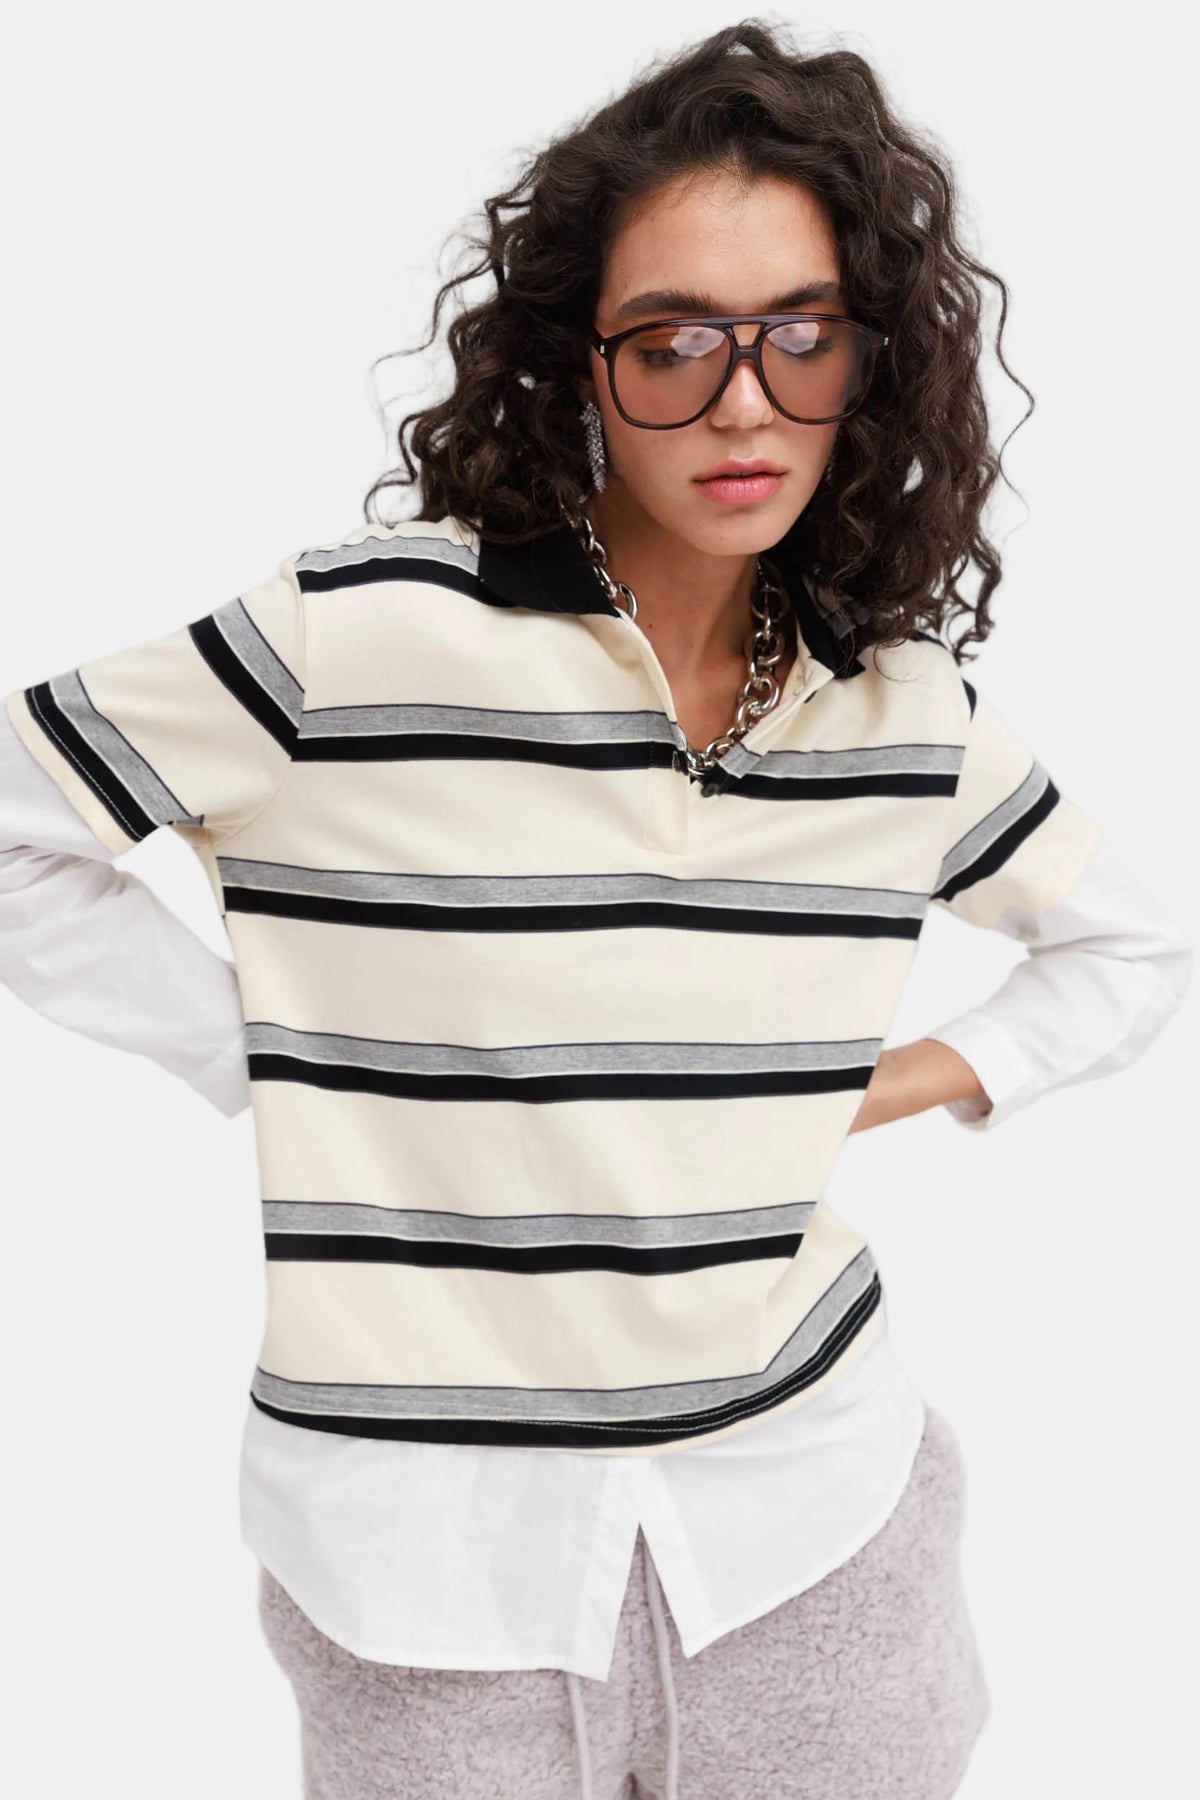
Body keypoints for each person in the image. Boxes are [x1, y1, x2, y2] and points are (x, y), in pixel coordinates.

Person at [0, 20, 1191, 1800]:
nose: (743, 403)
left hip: (815, 1533)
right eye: (674, 342)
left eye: (802, 337)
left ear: (871, 365)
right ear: (582, 367)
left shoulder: (903, 711)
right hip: (419, 1566)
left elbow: (1136, 942)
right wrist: (265, 1054)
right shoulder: (361, 637)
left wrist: (886, 1085)